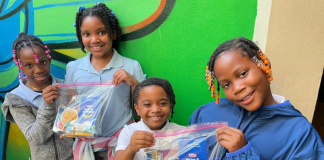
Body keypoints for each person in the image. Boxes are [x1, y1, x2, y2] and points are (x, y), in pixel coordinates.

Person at [190, 37, 324, 159]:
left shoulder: (299, 133)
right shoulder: (205, 114)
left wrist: (243, 153)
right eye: (226, 84)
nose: (237, 88)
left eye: (242, 74)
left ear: (264, 65)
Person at [67, 2, 145, 160]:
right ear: (80, 37)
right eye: (87, 34)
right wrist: (67, 127)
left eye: (101, 32)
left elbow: (144, 105)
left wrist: (133, 82)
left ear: (113, 34)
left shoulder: (131, 65)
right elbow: (71, 107)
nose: (94, 40)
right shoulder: (73, 68)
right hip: (87, 146)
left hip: (122, 144)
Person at [1, 33, 74, 160]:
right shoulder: (15, 99)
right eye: (29, 65)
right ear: (20, 66)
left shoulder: (65, 88)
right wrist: (48, 105)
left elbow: (78, 125)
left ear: (49, 59)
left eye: (43, 62)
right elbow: (35, 138)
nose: (39, 69)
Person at [115, 77, 182, 160]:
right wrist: (131, 148)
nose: (155, 110)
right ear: (137, 109)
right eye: (147, 104)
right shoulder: (129, 132)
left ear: (170, 107)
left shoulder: (183, 134)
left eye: (162, 103)